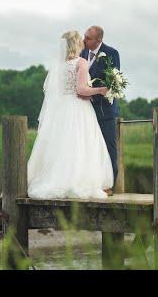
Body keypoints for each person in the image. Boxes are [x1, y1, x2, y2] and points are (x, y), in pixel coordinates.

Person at [27, 30, 114, 199]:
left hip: (61, 110)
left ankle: (55, 178)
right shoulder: (80, 63)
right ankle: (76, 181)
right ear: (76, 44)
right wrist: (101, 90)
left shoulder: (58, 66)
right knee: (81, 143)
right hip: (78, 108)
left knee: (61, 144)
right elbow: (81, 90)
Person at [80, 25, 120, 196]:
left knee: (108, 146)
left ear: (99, 40)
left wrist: (93, 92)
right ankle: (91, 183)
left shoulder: (111, 53)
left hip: (104, 110)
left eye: (88, 38)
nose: (84, 40)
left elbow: (113, 81)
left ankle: (109, 185)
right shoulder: (81, 53)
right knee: (88, 147)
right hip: (84, 110)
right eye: (85, 36)